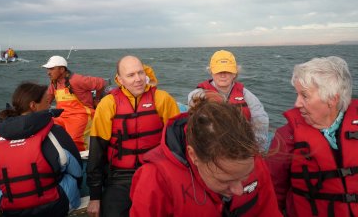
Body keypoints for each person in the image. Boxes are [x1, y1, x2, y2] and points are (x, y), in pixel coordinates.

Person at [129, 94, 282, 216]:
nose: (239, 190)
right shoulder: (155, 180)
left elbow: (269, 211)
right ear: (193, 156)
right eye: (225, 180)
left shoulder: (250, 159)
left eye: (244, 178)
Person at [86, 55, 180, 217]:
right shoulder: (108, 104)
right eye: (130, 75)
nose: (138, 79)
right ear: (119, 80)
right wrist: (95, 197)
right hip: (120, 178)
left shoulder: (162, 99)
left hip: (156, 173)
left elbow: (178, 144)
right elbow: (97, 152)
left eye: (140, 73)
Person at [265, 56, 357, 217]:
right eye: (297, 94)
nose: (297, 103)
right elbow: (272, 193)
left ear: (332, 99)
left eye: (305, 96)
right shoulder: (287, 137)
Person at [0, 82, 83, 217]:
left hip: (13, 211)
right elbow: (77, 171)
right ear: (33, 106)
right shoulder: (54, 132)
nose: (50, 105)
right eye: (47, 102)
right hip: (54, 208)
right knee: (71, 174)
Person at [188, 49, 269, 147]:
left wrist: (255, 146)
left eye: (227, 71)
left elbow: (260, 121)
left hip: (240, 145)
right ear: (211, 72)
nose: (223, 75)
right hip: (210, 145)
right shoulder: (198, 95)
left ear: (235, 73)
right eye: (219, 71)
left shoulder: (248, 96)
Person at [42, 55, 106, 151]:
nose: (48, 72)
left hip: (82, 116)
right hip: (63, 116)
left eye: (51, 69)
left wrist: (97, 100)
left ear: (62, 70)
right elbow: (49, 98)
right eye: (48, 69)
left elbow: (101, 83)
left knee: (74, 141)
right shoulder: (54, 82)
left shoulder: (77, 80)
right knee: (48, 131)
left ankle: (84, 160)